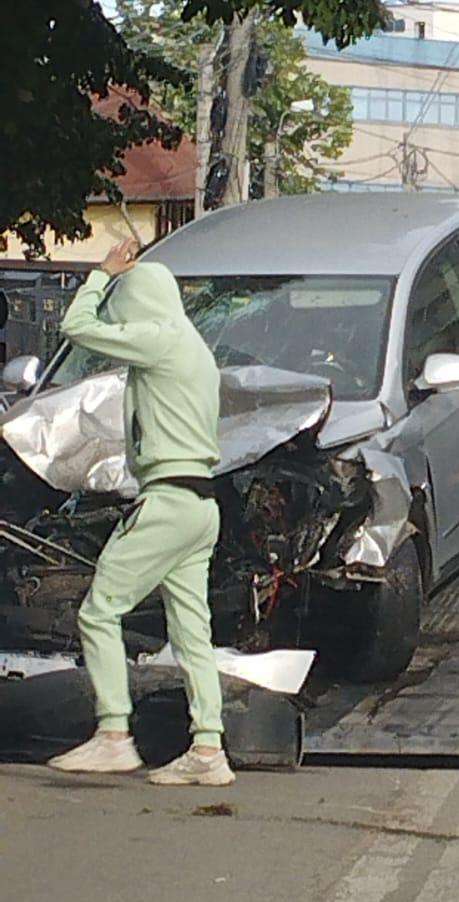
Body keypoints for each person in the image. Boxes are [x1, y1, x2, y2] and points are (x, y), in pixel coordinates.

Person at [47, 239, 233, 784]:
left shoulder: (159, 338)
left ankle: (113, 735)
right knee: (192, 633)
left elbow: (77, 329)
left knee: (99, 610)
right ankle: (207, 750)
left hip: (167, 500)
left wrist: (102, 275)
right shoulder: (197, 350)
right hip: (201, 503)